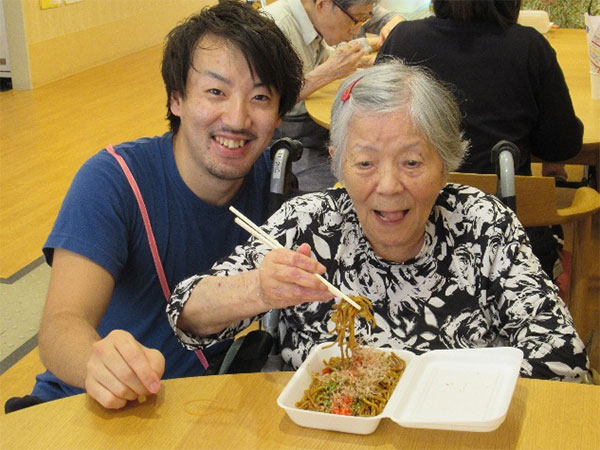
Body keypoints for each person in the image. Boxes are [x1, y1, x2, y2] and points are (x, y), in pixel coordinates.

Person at [166, 60, 590, 382]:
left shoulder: (482, 223)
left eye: (411, 162)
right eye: (365, 162)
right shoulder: (308, 225)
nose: (388, 186)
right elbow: (185, 313)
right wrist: (257, 288)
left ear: (444, 165)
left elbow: (565, 361)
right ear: (337, 164)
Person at [12, 2, 303, 412]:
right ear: (177, 100)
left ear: (278, 116)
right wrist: (98, 363)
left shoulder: (276, 191)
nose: (237, 118)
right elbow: (61, 326)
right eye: (216, 91)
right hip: (87, 408)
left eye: (259, 97)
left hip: (193, 410)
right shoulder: (113, 181)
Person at [375, 0, 584, 280]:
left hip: (408, 231)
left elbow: (372, 126)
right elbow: (562, 145)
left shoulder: (402, 39)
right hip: (506, 236)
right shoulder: (528, 46)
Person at [264, 0, 378, 191]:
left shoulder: (313, 22)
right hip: (284, 136)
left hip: (310, 128)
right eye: (355, 20)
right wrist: (330, 71)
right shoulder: (275, 27)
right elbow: (266, 101)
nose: (356, 30)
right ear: (323, 4)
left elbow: (329, 57)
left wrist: (363, 60)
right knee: (354, 182)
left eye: (363, 20)